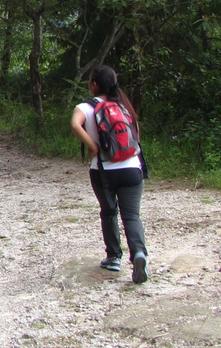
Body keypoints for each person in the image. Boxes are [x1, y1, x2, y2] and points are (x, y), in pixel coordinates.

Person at [71, 65, 148, 284]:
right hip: (132, 168)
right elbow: (136, 134)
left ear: (94, 84)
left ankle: (114, 257)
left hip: (103, 171)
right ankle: (139, 254)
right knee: (132, 216)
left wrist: (92, 147)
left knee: (109, 211)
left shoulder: (85, 107)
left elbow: (75, 125)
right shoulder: (124, 106)